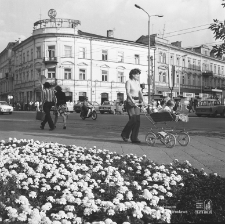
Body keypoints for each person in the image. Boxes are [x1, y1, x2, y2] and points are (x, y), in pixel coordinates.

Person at [121, 68, 146, 144]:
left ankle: (134, 138)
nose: (138, 76)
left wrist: (143, 101)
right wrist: (133, 101)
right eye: (137, 74)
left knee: (137, 120)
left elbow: (140, 92)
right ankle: (124, 134)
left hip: (137, 101)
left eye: (139, 74)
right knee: (133, 119)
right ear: (133, 75)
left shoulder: (137, 82)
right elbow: (128, 93)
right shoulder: (128, 82)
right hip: (130, 102)